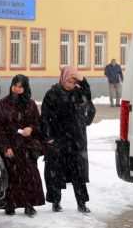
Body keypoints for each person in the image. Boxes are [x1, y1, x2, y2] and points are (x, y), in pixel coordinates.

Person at [40, 66, 96, 213]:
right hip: (58, 139)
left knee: (78, 173)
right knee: (55, 173)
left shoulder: (78, 93)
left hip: (76, 139)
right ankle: (56, 202)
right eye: (69, 81)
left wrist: (82, 79)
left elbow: (88, 96)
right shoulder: (52, 94)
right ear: (63, 78)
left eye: (73, 81)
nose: (70, 84)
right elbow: (44, 117)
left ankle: (82, 203)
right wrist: (48, 138)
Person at [0, 74, 45, 216]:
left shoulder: (31, 104)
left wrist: (31, 129)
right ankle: (10, 204)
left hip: (26, 146)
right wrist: (5, 147)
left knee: (29, 176)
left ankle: (29, 204)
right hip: (10, 146)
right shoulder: (3, 104)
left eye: (20, 86)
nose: (16, 89)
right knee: (11, 176)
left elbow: (37, 124)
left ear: (25, 88)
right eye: (14, 85)